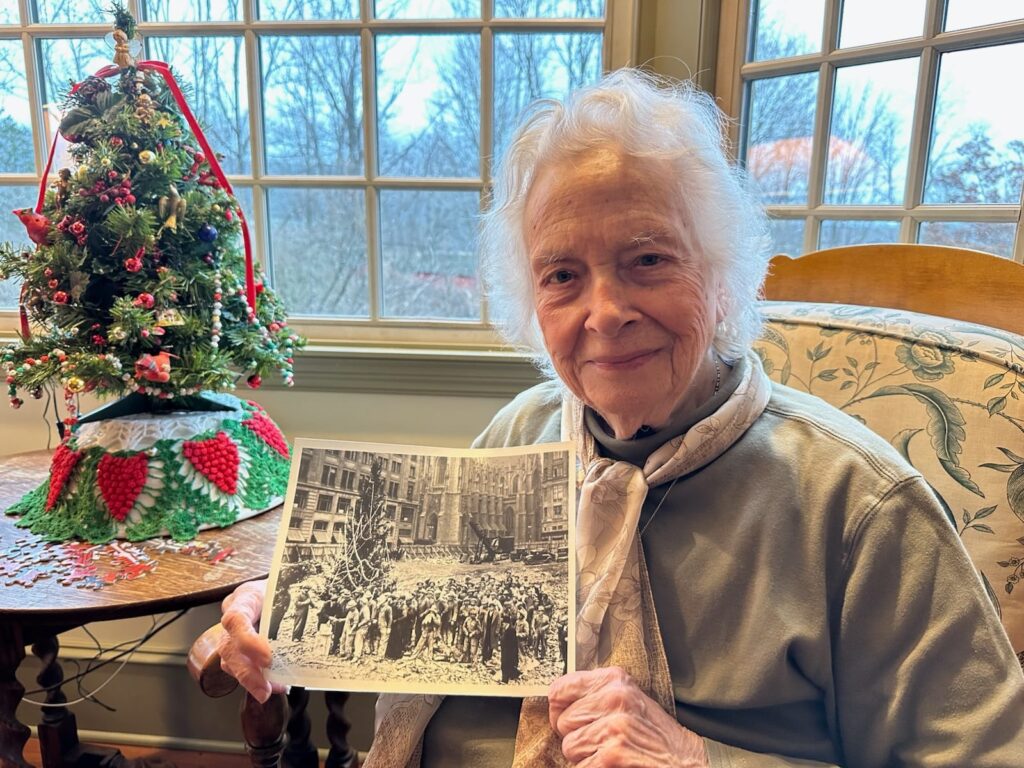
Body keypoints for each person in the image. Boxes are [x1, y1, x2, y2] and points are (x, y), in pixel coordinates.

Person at [215, 69, 1024, 766]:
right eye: (562, 274)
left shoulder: (860, 507)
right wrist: (279, 612)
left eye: (648, 259)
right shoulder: (520, 436)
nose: (604, 312)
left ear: (725, 276)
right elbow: (395, 616)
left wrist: (698, 757)